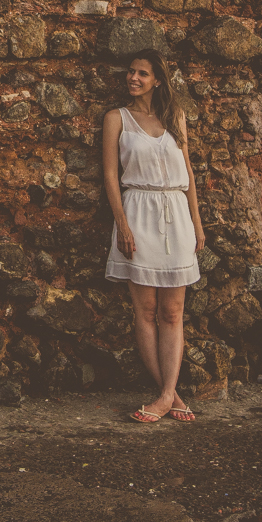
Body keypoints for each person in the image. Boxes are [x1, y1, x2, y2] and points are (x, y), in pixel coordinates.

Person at [103, 49, 206, 423]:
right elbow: (111, 176)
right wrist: (122, 225)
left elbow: (189, 172)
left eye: (142, 74)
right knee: (145, 311)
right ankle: (170, 396)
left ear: (157, 80)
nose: (133, 78)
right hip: (138, 213)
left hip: (175, 215)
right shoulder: (117, 119)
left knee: (173, 311)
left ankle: (166, 395)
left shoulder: (174, 117)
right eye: (130, 72)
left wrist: (196, 221)